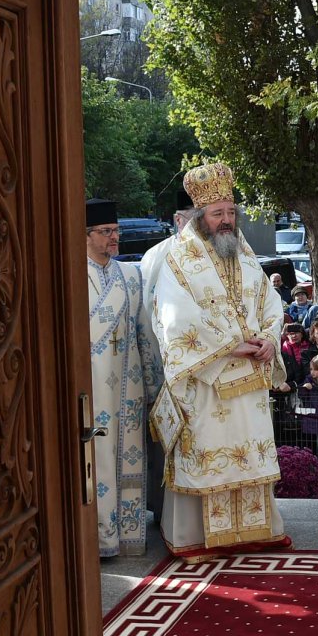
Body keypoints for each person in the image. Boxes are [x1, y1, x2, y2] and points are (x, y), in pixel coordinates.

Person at [150, 162, 291, 562]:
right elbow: (175, 318)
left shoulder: (244, 253)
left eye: (231, 211)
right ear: (200, 216)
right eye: (218, 213)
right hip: (207, 382)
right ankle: (197, 537)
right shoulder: (179, 258)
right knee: (209, 455)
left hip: (250, 380)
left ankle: (254, 532)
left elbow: (269, 302)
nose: (227, 220)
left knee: (249, 452)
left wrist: (269, 339)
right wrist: (231, 345)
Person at [86, 198, 159, 557]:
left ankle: (124, 534)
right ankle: (98, 539)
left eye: (115, 231)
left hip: (128, 386)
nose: (114, 237)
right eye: (106, 232)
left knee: (126, 456)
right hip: (89, 386)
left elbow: (145, 334)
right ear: (85, 235)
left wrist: (154, 386)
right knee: (95, 459)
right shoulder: (70, 276)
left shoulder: (132, 275)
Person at [139, 186, 194, 519]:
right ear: (178, 220)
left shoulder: (224, 254)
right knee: (167, 443)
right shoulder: (158, 257)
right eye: (196, 219)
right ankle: (166, 516)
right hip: (169, 369)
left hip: (212, 374)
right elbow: (148, 317)